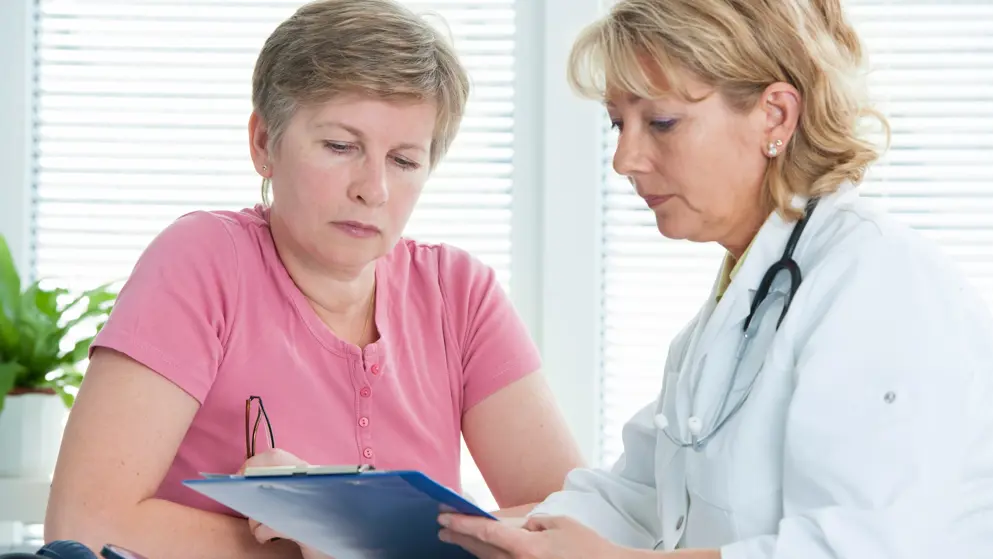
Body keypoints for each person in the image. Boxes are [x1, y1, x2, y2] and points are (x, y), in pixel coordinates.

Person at [437, 0, 993, 558]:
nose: (624, 159)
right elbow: (641, 499)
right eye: (617, 124)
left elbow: (867, 547)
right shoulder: (739, 302)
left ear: (775, 115)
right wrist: (444, 529)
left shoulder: (880, 285)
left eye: (660, 122)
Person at [43, 1, 583, 557]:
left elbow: (577, 521)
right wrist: (319, 545)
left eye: (403, 160)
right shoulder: (203, 260)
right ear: (263, 143)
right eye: (340, 147)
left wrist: (350, 536)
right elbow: (84, 521)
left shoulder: (459, 293)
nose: (372, 189)